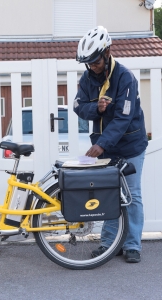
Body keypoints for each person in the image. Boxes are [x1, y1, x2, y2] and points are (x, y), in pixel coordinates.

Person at [73, 25, 148, 263]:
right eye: (88, 63)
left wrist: (102, 144)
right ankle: (109, 244)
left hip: (131, 146)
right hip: (107, 147)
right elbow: (77, 107)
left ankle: (132, 245)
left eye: (95, 61)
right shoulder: (87, 78)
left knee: (132, 195)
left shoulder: (125, 78)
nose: (92, 67)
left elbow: (123, 119)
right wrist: (95, 107)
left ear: (107, 53)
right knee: (109, 194)